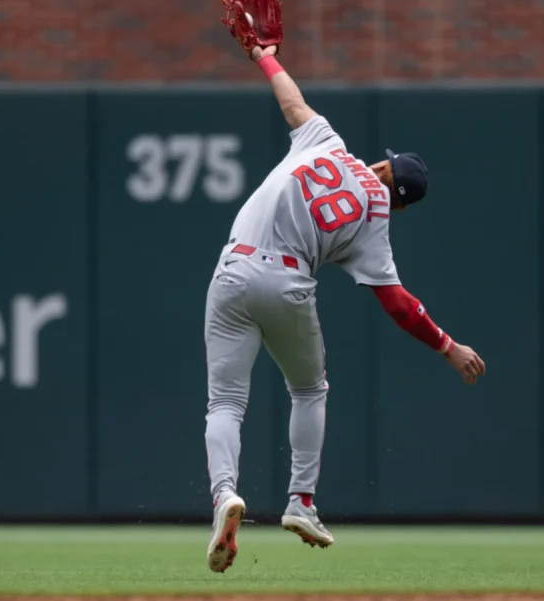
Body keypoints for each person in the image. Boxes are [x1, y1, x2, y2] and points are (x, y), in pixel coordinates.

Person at [202, 43, 486, 574]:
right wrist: (449, 347)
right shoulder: (376, 225)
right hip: (288, 281)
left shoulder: (329, 142)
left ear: (381, 164)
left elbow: (290, 102)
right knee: (309, 389)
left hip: (233, 269)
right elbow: (400, 306)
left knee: (225, 403)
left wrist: (264, 56)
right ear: (400, 202)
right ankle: (301, 502)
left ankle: (223, 496)